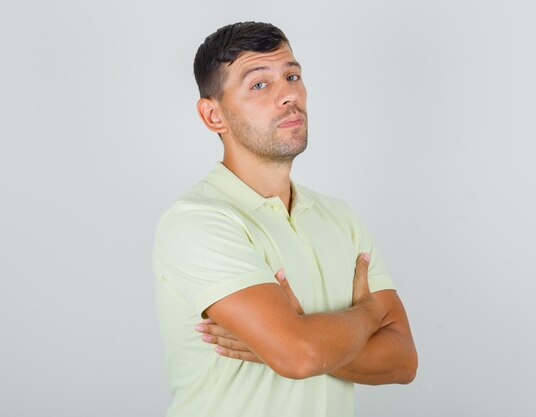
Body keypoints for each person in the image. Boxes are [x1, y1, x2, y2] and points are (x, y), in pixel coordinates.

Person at [152, 21, 417, 417]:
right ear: (213, 116)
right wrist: (365, 315)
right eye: (259, 84)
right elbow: (299, 355)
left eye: (292, 76)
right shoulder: (198, 221)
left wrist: (293, 343)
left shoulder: (340, 218)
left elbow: (403, 361)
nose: (289, 95)